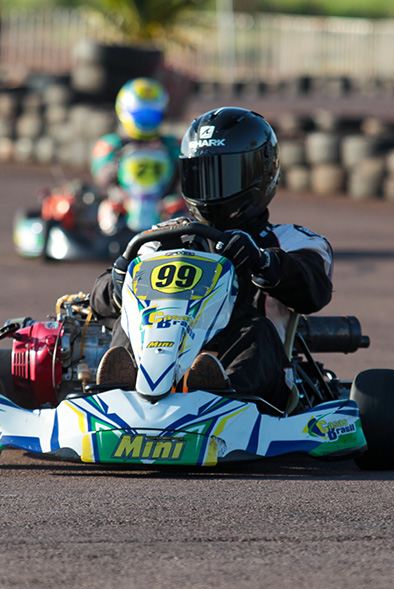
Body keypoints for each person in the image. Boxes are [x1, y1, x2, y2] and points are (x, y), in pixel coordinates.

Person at [90, 107, 334, 412]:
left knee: (256, 330)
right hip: (164, 361)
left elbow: (313, 290)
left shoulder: (291, 241)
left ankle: (219, 397)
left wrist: (264, 263)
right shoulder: (163, 238)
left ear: (261, 174)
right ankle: (119, 394)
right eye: (201, 174)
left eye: (225, 175)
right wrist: (115, 287)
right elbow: (97, 301)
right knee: (129, 321)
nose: (211, 189)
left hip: (253, 389)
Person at [90, 77, 182, 234]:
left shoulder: (172, 145)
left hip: (162, 205)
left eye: (151, 116)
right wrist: (112, 168)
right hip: (124, 202)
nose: (146, 121)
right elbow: (100, 177)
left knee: (180, 209)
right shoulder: (112, 144)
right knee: (107, 207)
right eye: (141, 115)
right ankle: (112, 234)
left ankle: (175, 234)